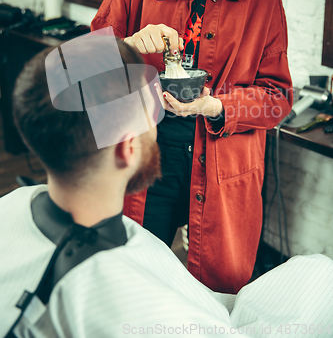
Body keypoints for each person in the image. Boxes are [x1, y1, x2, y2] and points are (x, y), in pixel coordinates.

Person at [0, 30, 332, 338]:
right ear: (127, 148)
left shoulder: (15, 203)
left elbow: (62, 76)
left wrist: (125, 48)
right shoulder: (138, 305)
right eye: (153, 115)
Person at [90, 0, 293, 293]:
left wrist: (216, 104)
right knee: (133, 279)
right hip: (146, 160)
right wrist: (124, 46)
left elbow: (277, 99)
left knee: (213, 293)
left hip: (225, 172)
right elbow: (83, 78)